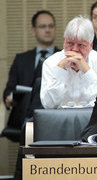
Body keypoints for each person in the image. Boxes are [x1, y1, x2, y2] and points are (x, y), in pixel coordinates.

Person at [1, 10, 59, 142]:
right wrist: (10, 98)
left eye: (51, 26)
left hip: (54, 113)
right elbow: (8, 90)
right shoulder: (21, 59)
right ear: (33, 30)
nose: (48, 30)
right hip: (25, 115)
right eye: (43, 26)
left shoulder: (64, 57)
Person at [40, 15, 97, 109]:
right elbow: (48, 105)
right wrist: (60, 70)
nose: (75, 49)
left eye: (81, 45)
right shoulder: (50, 63)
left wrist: (86, 70)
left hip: (91, 120)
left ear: (90, 46)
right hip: (60, 120)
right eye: (70, 43)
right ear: (64, 41)